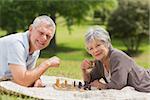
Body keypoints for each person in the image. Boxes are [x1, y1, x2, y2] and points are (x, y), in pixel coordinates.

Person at [81, 26, 150, 92]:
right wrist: (84, 70)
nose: (95, 50)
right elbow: (90, 80)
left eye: (98, 45)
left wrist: (103, 86)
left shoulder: (117, 57)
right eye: (91, 48)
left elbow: (119, 85)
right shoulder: (99, 62)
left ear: (107, 43)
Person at [0, 15, 60, 87]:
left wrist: (36, 79)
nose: (44, 38)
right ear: (31, 29)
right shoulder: (16, 44)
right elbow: (23, 80)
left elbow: (28, 74)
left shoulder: (35, 47)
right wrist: (47, 63)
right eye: (41, 33)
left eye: (48, 36)